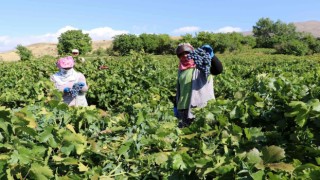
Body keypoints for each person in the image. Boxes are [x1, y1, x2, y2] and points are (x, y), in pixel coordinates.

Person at [174, 43, 223, 128]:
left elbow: (218, 70)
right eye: (181, 54)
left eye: (187, 52)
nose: (184, 56)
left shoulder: (202, 66)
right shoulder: (181, 71)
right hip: (183, 109)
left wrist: (212, 57)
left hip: (200, 108)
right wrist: (176, 105)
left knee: (202, 134)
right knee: (186, 135)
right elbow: (180, 89)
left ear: (193, 53)